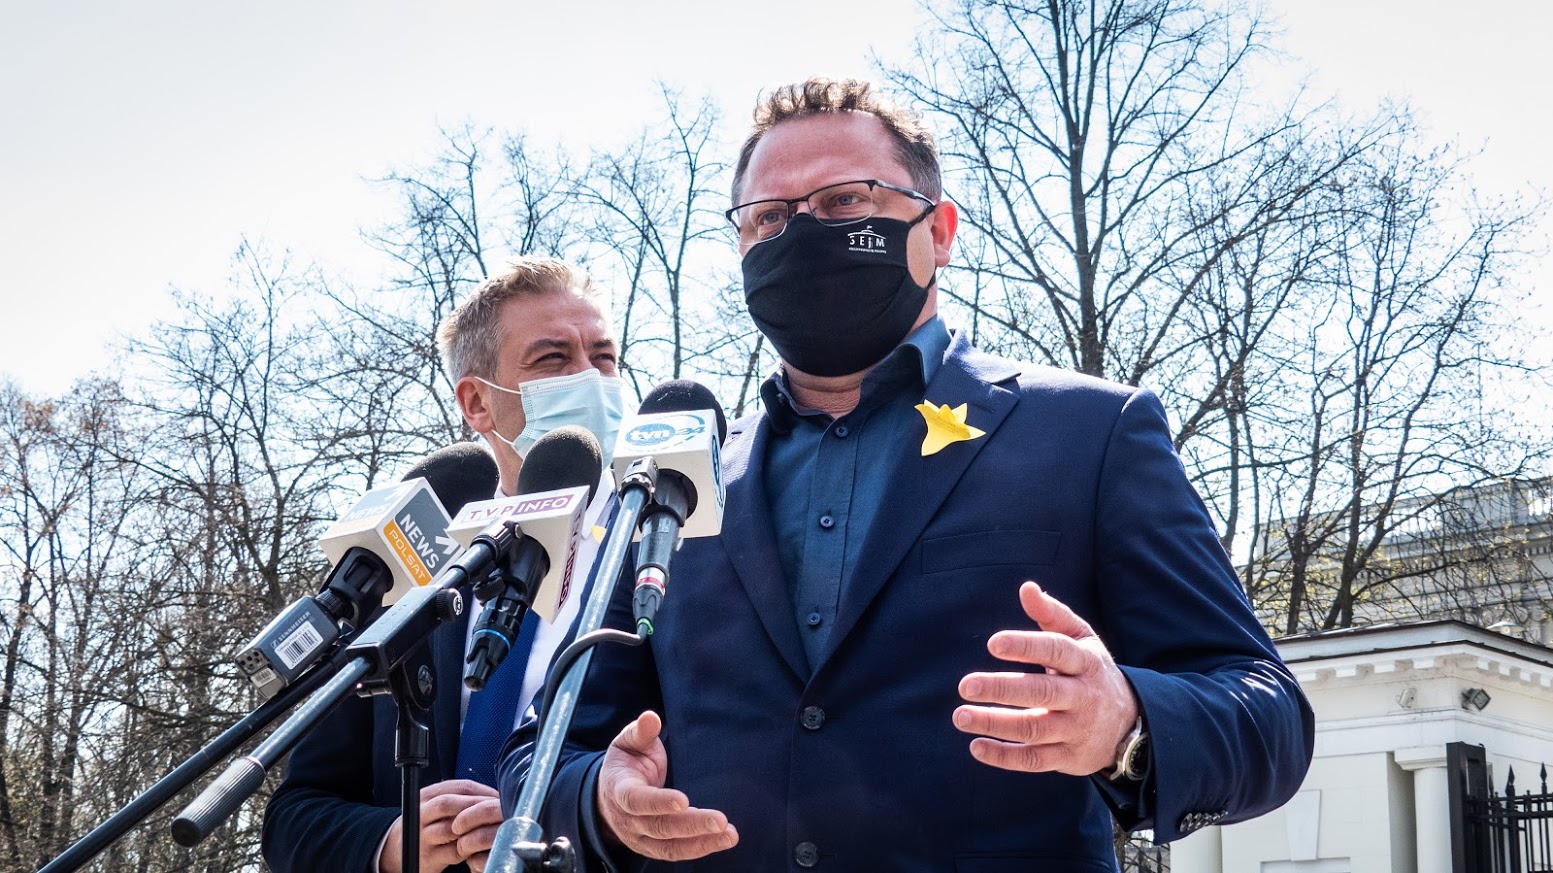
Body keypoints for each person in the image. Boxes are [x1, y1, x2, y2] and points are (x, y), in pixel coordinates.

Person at [499, 79, 1314, 872]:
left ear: (940, 231)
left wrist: (1126, 724)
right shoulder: (672, 485)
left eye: (844, 201)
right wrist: (599, 798)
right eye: (770, 217)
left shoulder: (1091, 432)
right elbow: (544, 750)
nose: (802, 233)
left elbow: (1266, 717)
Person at [263, 257, 626, 873]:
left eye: (604, 357)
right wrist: (391, 842)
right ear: (477, 402)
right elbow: (295, 817)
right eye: (553, 359)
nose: (590, 379)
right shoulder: (408, 573)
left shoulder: (667, 548)